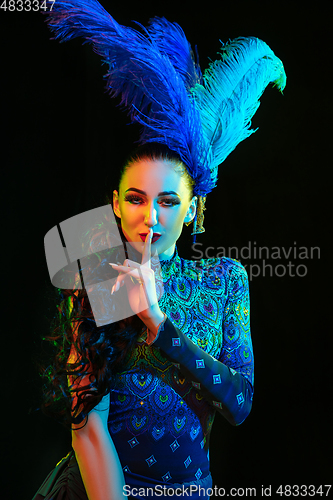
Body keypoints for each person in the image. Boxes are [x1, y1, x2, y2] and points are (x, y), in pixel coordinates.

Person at [33, 1, 286, 498]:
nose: (151, 217)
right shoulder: (99, 275)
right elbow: (87, 428)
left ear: (192, 211)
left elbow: (240, 403)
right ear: (116, 204)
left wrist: (158, 324)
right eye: (136, 198)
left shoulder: (224, 278)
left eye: (169, 201)